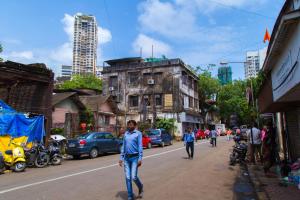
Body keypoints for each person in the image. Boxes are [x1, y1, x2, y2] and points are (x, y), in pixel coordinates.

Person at [119, 120, 144, 200]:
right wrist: (121, 158)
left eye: (131, 125)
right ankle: (130, 196)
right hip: (126, 158)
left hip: (135, 158)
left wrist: (140, 158)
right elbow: (123, 146)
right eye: (128, 125)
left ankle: (140, 186)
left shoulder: (138, 134)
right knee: (128, 177)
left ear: (135, 125)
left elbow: (140, 146)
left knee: (133, 177)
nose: (129, 126)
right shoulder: (126, 134)